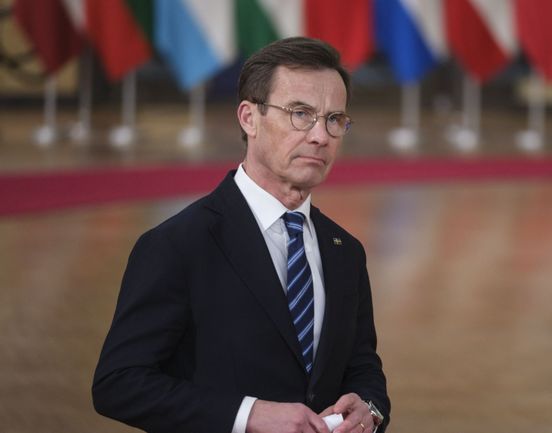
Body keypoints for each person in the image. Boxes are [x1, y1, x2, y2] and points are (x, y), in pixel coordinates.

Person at [92, 37, 390, 433]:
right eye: (301, 113)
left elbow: (362, 366)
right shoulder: (177, 245)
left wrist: (369, 408)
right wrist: (248, 415)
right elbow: (119, 384)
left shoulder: (345, 251)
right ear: (249, 118)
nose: (321, 136)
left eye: (334, 119)